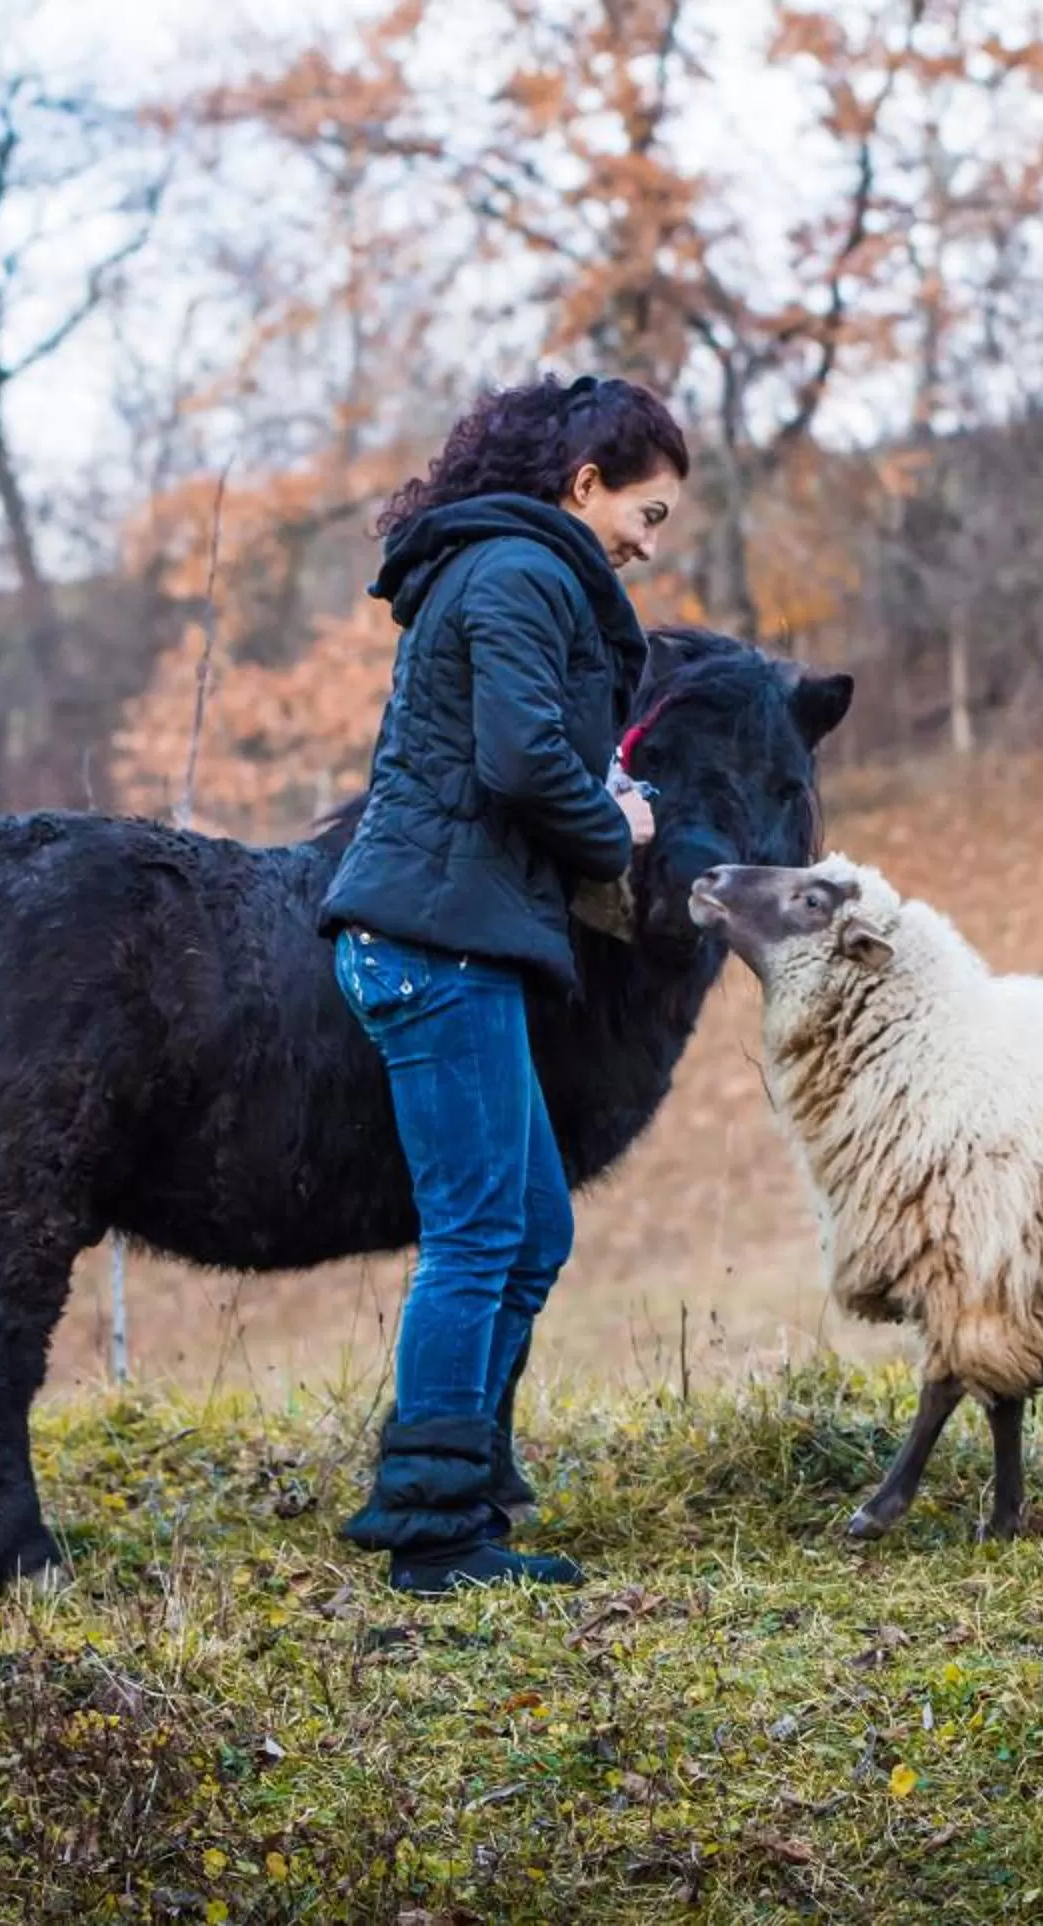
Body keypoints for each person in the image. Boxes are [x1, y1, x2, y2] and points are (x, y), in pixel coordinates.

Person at [318, 371, 689, 1596]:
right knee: (480, 1234)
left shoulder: (499, 570)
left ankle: (454, 1486)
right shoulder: (522, 574)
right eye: (648, 514)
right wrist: (617, 824)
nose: (650, 544)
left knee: (529, 1224)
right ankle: (433, 1531)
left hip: (447, 934)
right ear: (584, 486)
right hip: (437, 948)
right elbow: (525, 759)